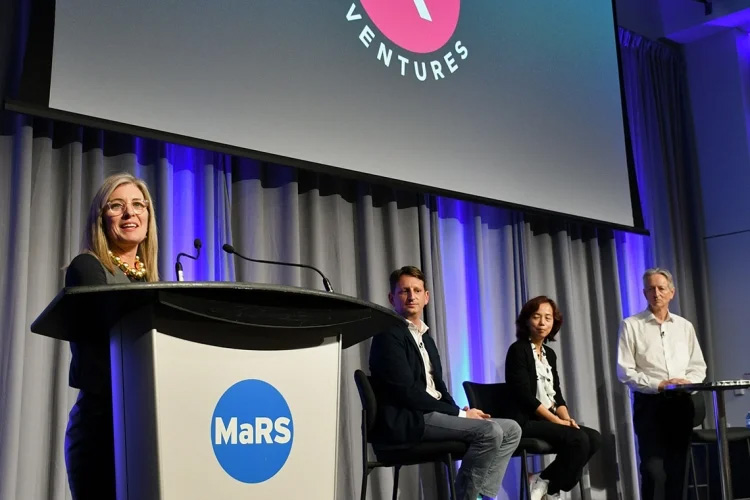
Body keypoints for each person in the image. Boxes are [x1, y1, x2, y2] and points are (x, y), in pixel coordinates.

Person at [369, 266, 521, 500]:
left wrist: (462, 411)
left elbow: (439, 387)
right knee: (489, 432)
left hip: (433, 413)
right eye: (404, 291)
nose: (412, 296)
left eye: (417, 290)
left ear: (426, 297)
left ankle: (481, 495)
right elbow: (406, 393)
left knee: (511, 429)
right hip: (411, 418)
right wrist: (458, 415)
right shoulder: (388, 335)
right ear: (392, 298)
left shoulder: (426, 339)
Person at [64, 173, 159, 500]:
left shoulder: (153, 284)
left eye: (137, 204)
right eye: (116, 206)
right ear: (101, 219)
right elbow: (106, 350)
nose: (130, 213)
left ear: (148, 215)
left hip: (148, 426)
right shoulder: (88, 268)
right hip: (104, 430)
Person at [616, 268, 707, 500]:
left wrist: (686, 382)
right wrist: (659, 384)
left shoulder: (684, 326)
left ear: (672, 292)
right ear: (644, 293)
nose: (656, 293)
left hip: (681, 402)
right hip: (650, 404)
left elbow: (699, 366)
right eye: (651, 289)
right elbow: (625, 371)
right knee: (652, 470)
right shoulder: (631, 325)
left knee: (678, 470)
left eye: (661, 288)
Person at [503, 296, 601, 500]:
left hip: (547, 419)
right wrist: (557, 421)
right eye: (536, 317)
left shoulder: (549, 354)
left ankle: (545, 481)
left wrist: (567, 419)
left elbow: (556, 394)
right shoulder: (518, 350)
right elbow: (525, 397)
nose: (542, 323)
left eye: (547, 318)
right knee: (578, 439)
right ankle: (552, 488)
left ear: (554, 323)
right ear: (526, 320)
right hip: (524, 420)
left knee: (594, 438)